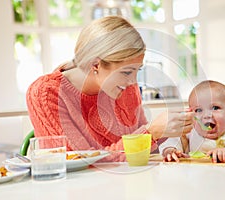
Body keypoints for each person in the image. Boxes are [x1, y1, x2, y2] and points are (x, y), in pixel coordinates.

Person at [26, 16, 194, 161]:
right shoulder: (45, 93)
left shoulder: (126, 87)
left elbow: (143, 150)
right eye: (127, 72)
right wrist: (151, 133)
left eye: (137, 71)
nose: (133, 81)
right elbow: (76, 162)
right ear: (95, 64)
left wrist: (170, 141)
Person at [159, 80, 225, 163]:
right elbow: (172, 141)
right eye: (198, 110)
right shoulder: (190, 131)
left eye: (215, 108)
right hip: (198, 179)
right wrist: (171, 151)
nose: (207, 115)